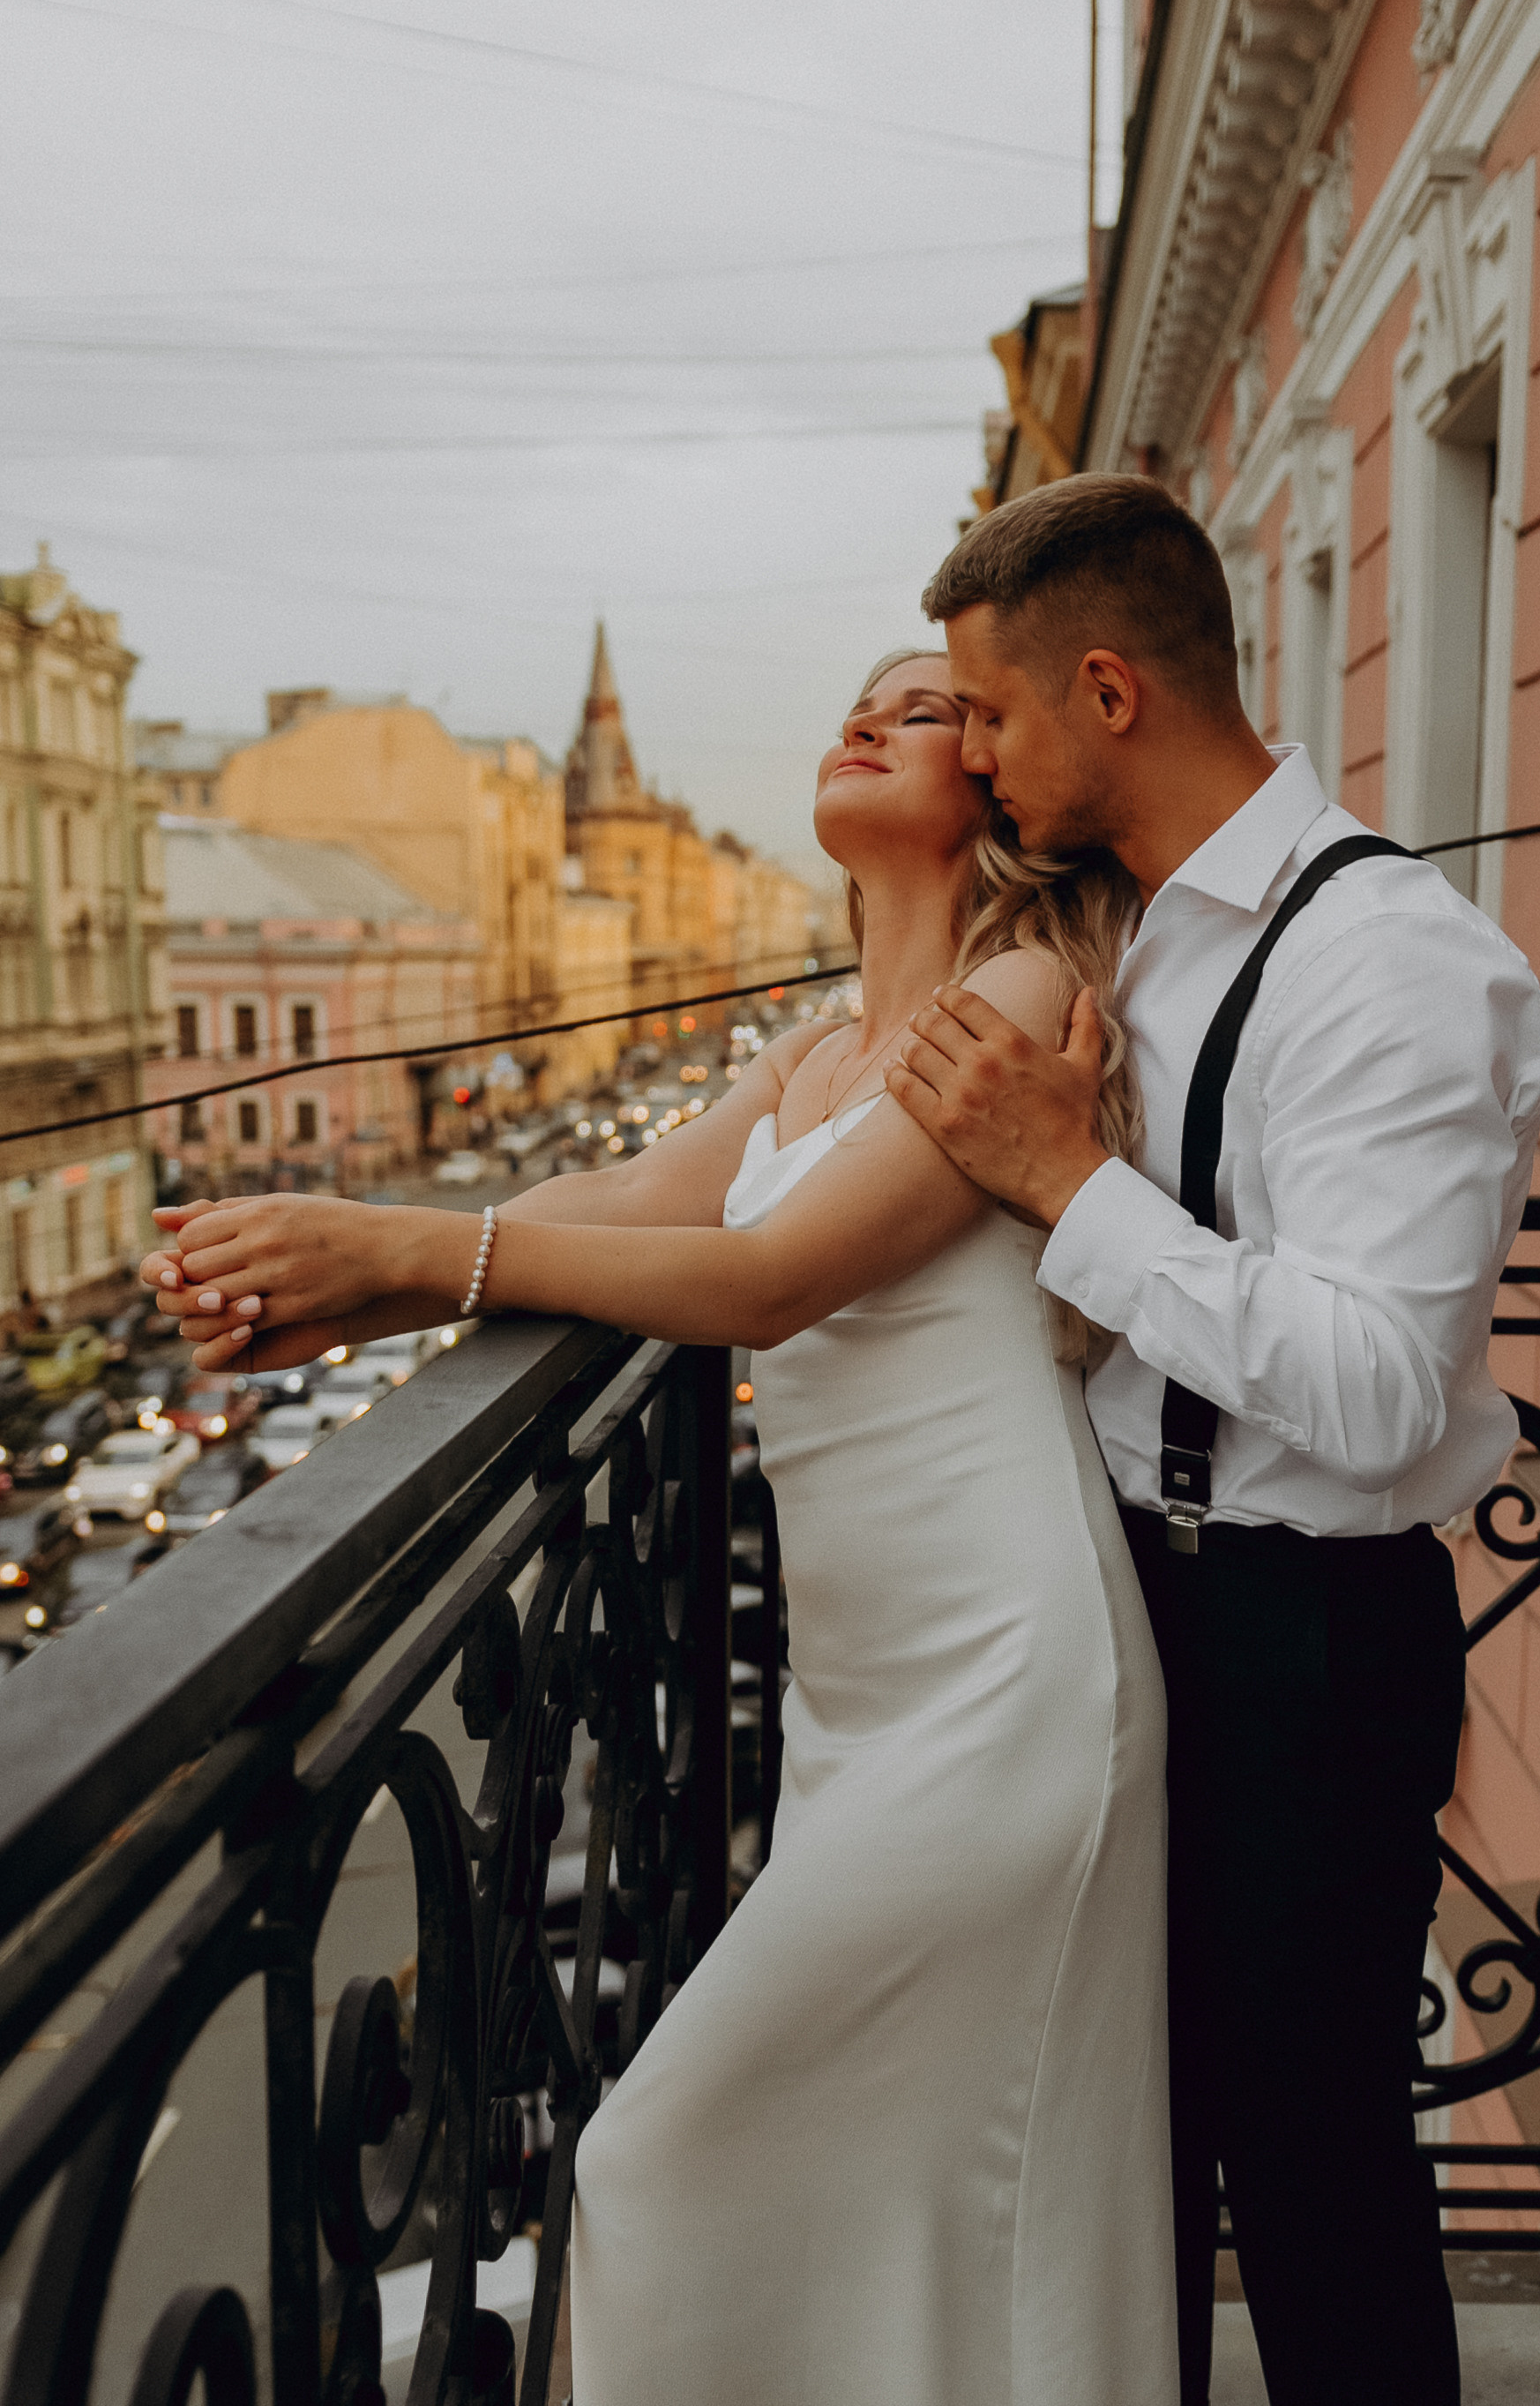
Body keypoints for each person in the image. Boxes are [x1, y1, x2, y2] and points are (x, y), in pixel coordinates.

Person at [140, 649, 1180, 2406]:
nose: (869, 717)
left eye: (926, 707)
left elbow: (766, 1281)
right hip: (867, 1702)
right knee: (913, 2196)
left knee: (655, 2171)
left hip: (1012, 1686)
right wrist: (350, 1289)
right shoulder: (814, 1051)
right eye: (858, 695)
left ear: (1000, 776)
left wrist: (403, 1253)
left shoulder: (1016, 993)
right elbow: (611, 1204)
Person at [885, 476, 1540, 2406]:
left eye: (989, 714)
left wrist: (1064, 1182)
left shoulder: (1386, 963)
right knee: (1124, 2158)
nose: (974, 755)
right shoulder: (1140, 937)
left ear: (1104, 692)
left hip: (1299, 1644)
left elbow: (1374, 1387)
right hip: (1131, 1608)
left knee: (1316, 2174)